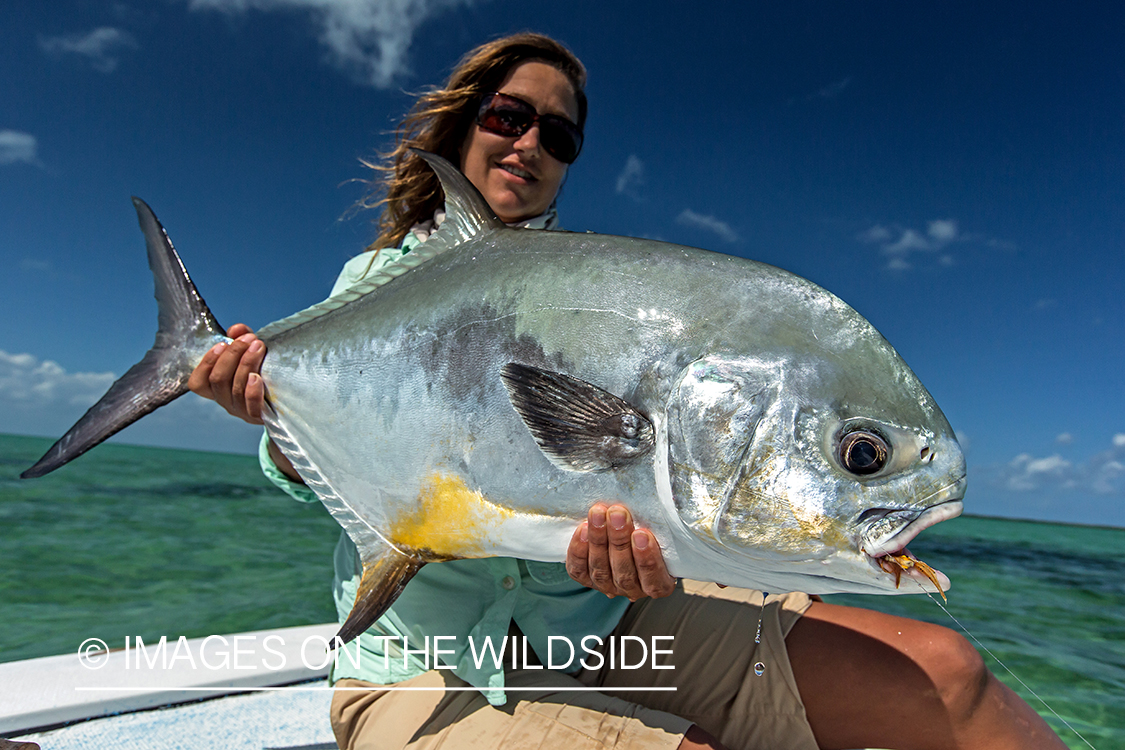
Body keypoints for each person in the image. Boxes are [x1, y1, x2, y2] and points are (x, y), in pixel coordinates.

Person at [189, 32, 1068, 750]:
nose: (530, 143)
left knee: (951, 680)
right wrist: (266, 416)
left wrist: (664, 559)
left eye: (559, 135)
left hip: (608, 632)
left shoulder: (606, 293)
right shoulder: (374, 279)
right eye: (508, 115)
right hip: (428, 663)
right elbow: (318, 464)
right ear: (467, 126)